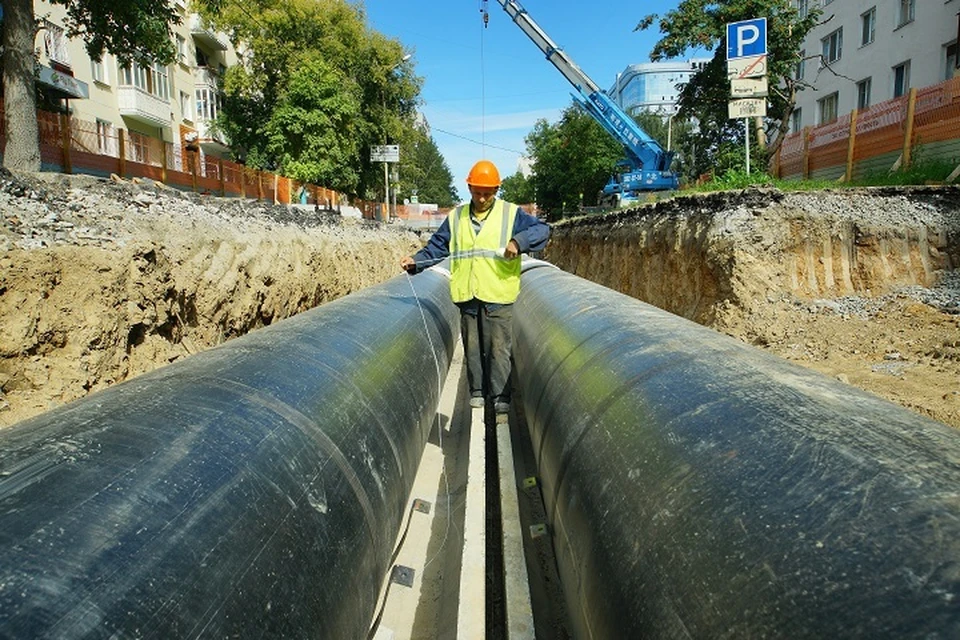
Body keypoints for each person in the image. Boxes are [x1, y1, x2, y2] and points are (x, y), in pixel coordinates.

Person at [400, 160, 550, 414]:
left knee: (498, 349)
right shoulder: (457, 216)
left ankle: (501, 400)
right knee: (472, 347)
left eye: (488, 193)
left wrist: (518, 241)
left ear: (496, 191)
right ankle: (478, 393)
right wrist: (416, 262)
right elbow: (438, 246)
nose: (482, 199)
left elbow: (542, 230)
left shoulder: (510, 214)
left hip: (498, 293)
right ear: (469, 188)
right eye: (478, 192)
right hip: (467, 294)